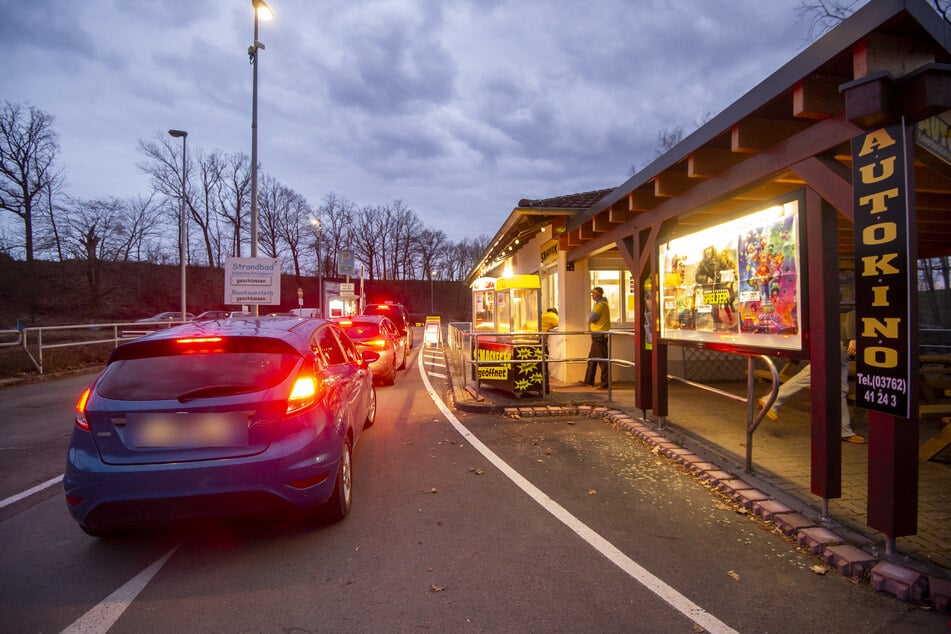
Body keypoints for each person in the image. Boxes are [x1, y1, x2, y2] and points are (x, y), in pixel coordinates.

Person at [759, 309, 864, 443]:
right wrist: (853, 338)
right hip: (839, 346)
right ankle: (771, 400)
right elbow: (852, 314)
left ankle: (844, 430)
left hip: (842, 349)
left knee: (839, 389)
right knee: (811, 375)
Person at [581, 287, 611, 389]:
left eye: (593, 294)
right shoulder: (600, 305)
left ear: (598, 294)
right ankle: (588, 381)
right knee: (592, 359)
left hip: (599, 335)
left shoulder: (601, 305)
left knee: (603, 360)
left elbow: (590, 318)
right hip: (597, 335)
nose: (592, 296)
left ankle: (605, 384)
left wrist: (588, 316)